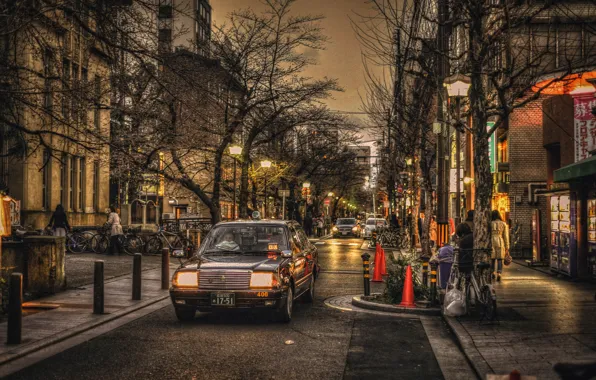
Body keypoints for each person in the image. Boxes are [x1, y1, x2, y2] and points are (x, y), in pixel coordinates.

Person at [490, 210, 509, 282]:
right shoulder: (503, 224)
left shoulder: (490, 223)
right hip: (500, 241)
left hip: (491, 241)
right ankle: (499, 273)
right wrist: (507, 247)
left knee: (492, 258)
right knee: (500, 258)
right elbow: (506, 236)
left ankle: (492, 272)